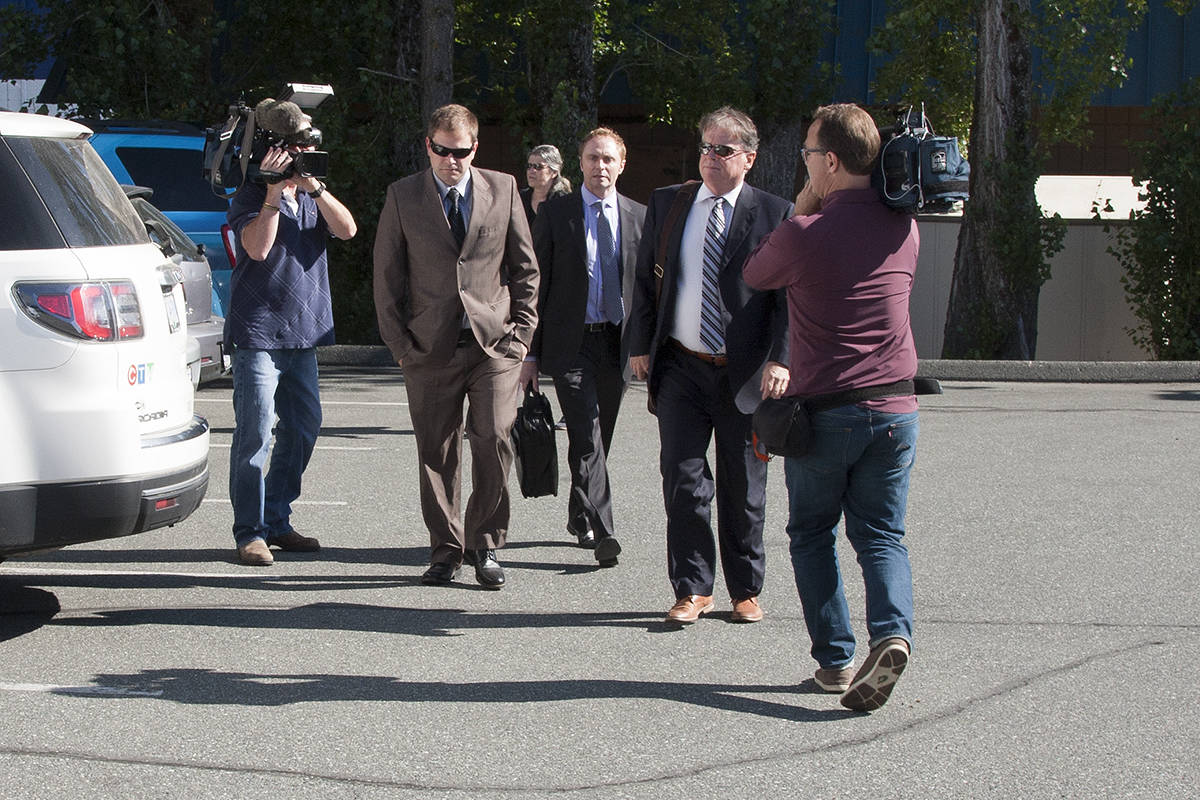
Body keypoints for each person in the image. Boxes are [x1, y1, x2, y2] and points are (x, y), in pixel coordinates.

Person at [743, 103, 920, 712]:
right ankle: (892, 633)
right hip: (897, 409)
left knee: (812, 533)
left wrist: (799, 211)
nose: (806, 163)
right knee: (881, 534)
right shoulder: (906, 227)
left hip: (827, 413)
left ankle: (835, 661)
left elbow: (757, 273)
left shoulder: (805, 233)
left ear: (832, 161)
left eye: (809, 154)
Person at [627, 106, 792, 625]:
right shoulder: (670, 204)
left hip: (744, 372)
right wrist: (640, 344)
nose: (710, 158)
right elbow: (646, 281)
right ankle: (693, 586)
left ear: (749, 157)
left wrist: (782, 359)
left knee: (743, 485)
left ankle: (745, 588)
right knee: (682, 476)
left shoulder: (775, 213)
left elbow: (789, 298)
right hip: (682, 364)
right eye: (704, 147)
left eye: (723, 150)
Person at [373, 103, 539, 590]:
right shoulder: (403, 196)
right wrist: (402, 346)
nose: (453, 161)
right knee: (436, 452)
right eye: (443, 151)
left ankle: (484, 543)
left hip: (494, 345)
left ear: (475, 148)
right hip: (429, 348)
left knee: (493, 436)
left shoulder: (503, 188)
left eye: (461, 152)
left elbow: (525, 268)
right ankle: (445, 549)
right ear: (429, 146)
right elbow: (386, 279)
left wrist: (522, 333)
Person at [226, 97, 358, 567]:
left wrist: (314, 188)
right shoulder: (249, 194)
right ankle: (250, 532)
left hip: (304, 331)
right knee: (256, 433)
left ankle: (277, 520)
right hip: (258, 330)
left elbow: (348, 230)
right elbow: (257, 249)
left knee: (303, 428)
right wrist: (272, 193)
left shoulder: (313, 194)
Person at [523, 128, 646, 564]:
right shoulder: (559, 213)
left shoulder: (638, 217)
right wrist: (531, 353)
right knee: (587, 432)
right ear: (581, 164)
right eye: (593, 158)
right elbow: (537, 284)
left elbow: (647, 289)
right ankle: (604, 530)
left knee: (598, 436)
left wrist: (646, 346)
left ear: (622, 164)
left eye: (609, 159)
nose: (601, 167)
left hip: (618, 344)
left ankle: (580, 512)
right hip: (570, 344)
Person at [521, 144, 571, 225]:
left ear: (554, 172)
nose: (531, 170)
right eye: (529, 166)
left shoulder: (563, 202)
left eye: (538, 167)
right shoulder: (520, 198)